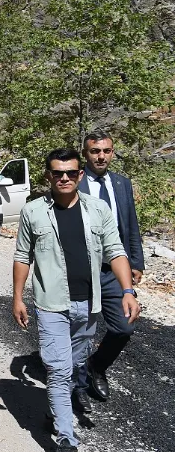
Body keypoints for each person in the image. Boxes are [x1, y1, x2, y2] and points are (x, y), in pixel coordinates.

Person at [12, 148, 139, 452]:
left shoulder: (98, 209)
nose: (64, 178)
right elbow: (23, 256)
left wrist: (127, 291)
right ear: (48, 176)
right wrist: (17, 297)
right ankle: (66, 443)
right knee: (58, 369)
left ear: (80, 175)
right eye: (58, 173)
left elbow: (116, 251)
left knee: (75, 364)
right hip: (51, 304)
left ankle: (56, 411)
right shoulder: (33, 211)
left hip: (88, 304)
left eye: (70, 172)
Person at [77, 131, 144, 401]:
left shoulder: (121, 183)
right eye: (95, 151)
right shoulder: (74, 181)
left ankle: (96, 365)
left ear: (113, 153)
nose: (101, 156)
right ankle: (75, 384)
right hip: (83, 271)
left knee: (123, 327)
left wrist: (135, 262)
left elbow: (131, 224)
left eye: (106, 151)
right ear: (85, 154)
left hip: (115, 270)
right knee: (80, 328)